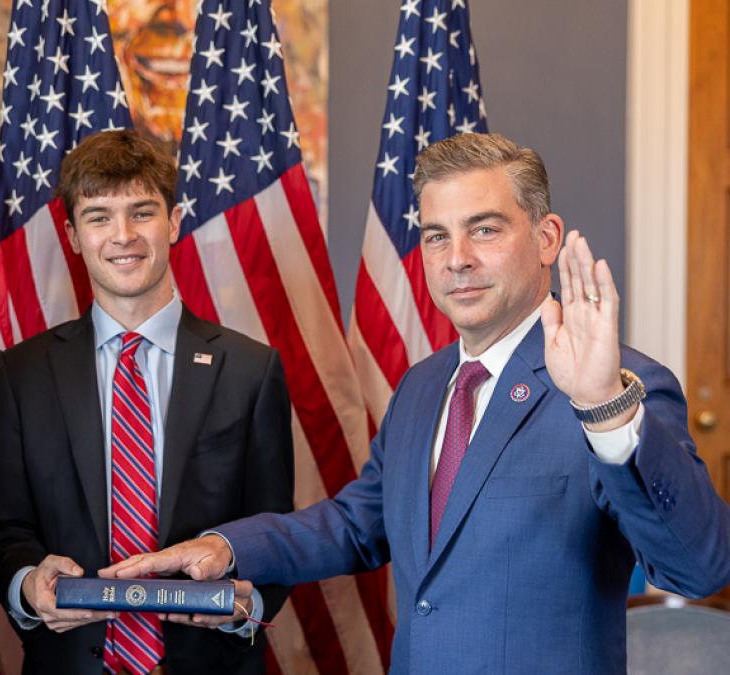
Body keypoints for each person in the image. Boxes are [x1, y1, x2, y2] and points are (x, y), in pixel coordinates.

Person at [105, 132, 730, 674]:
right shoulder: (425, 385)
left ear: (546, 238)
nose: (457, 259)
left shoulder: (619, 386)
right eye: (437, 236)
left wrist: (604, 411)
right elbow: (358, 524)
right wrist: (228, 548)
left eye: (484, 229)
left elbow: (698, 569)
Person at [0, 130, 294, 675]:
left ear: (172, 222)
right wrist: (29, 582)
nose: (122, 236)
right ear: (73, 234)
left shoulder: (251, 369)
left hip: (210, 662)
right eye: (99, 217)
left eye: (141, 212)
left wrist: (248, 605)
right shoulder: (23, 373)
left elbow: (274, 530)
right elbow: (6, 532)